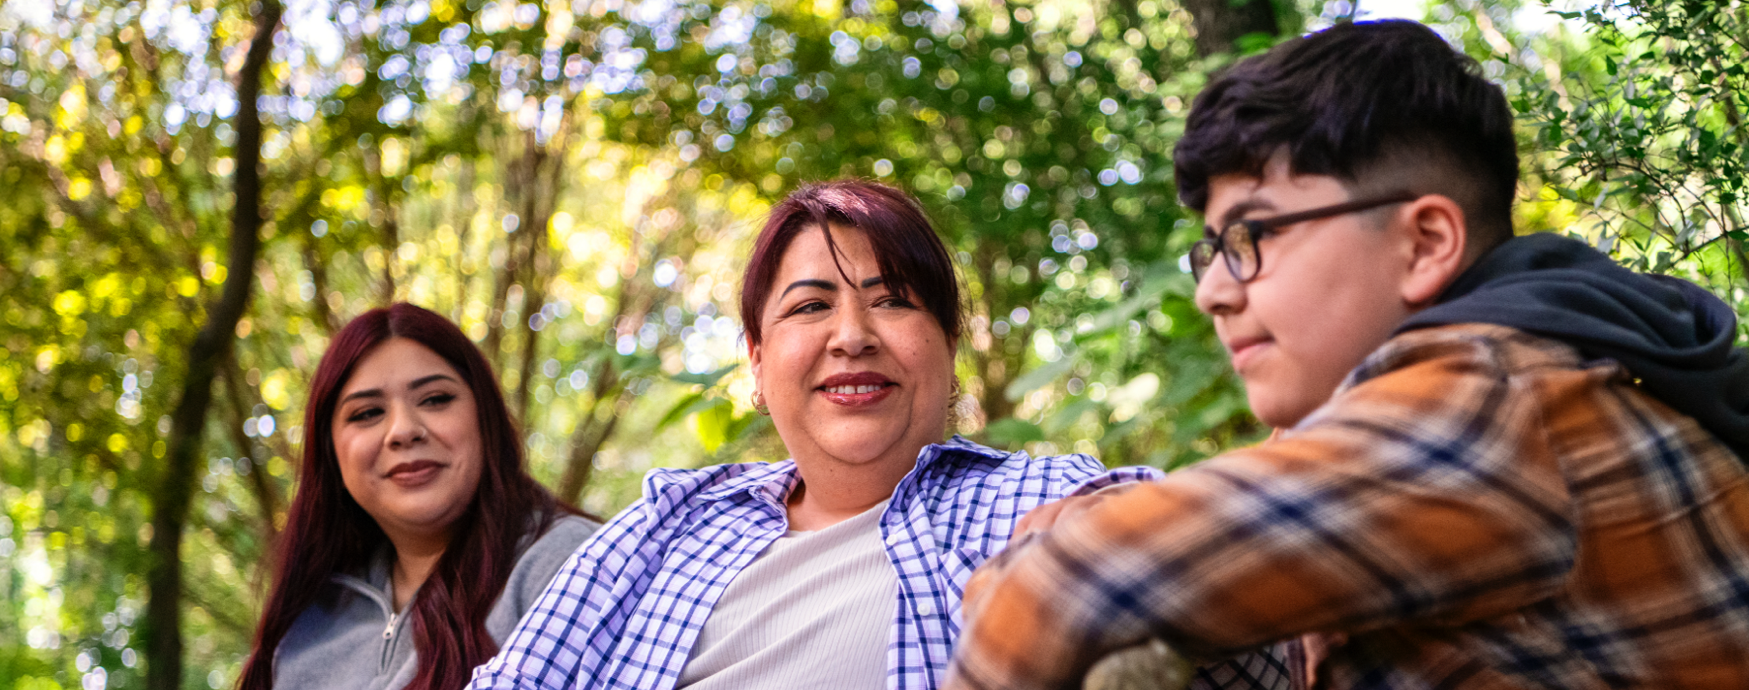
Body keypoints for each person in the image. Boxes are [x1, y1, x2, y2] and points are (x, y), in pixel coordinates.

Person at [946, 20, 1749, 689]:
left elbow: (1067, 587)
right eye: (1210, 248)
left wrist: (1044, 556)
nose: (1212, 288)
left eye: (1253, 237)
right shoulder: (1518, 375)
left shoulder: (1493, 394)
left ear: (1424, 244)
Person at [466, 181, 1290, 690]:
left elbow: (1262, 642)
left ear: (947, 349)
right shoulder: (665, 524)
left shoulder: (1031, 498)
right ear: (756, 362)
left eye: (893, 300)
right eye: (810, 305)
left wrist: (1095, 553)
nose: (852, 333)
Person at [236, 303, 600, 690]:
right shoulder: (308, 623)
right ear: (331, 452)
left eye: (435, 399)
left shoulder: (572, 566)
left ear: (485, 418)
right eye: (367, 413)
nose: (403, 430)